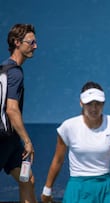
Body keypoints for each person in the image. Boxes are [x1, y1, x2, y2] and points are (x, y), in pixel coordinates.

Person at [41, 81, 110, 202]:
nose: (94, 108)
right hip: (77, 187)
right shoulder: (68, 127)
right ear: (81, 103)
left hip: (105, 187)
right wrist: (47, 189)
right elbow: (58, 160)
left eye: (98, 104)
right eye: (89, 104)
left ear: (104, 103)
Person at [0, 24, 37, 203]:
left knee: (27, 180)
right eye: (31, 42)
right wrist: (28, 141)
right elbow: (11, 109)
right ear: (17, 43)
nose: (35, 46)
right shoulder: (15, 73)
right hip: (3, 140)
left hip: (12, 142)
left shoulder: (4, 69)